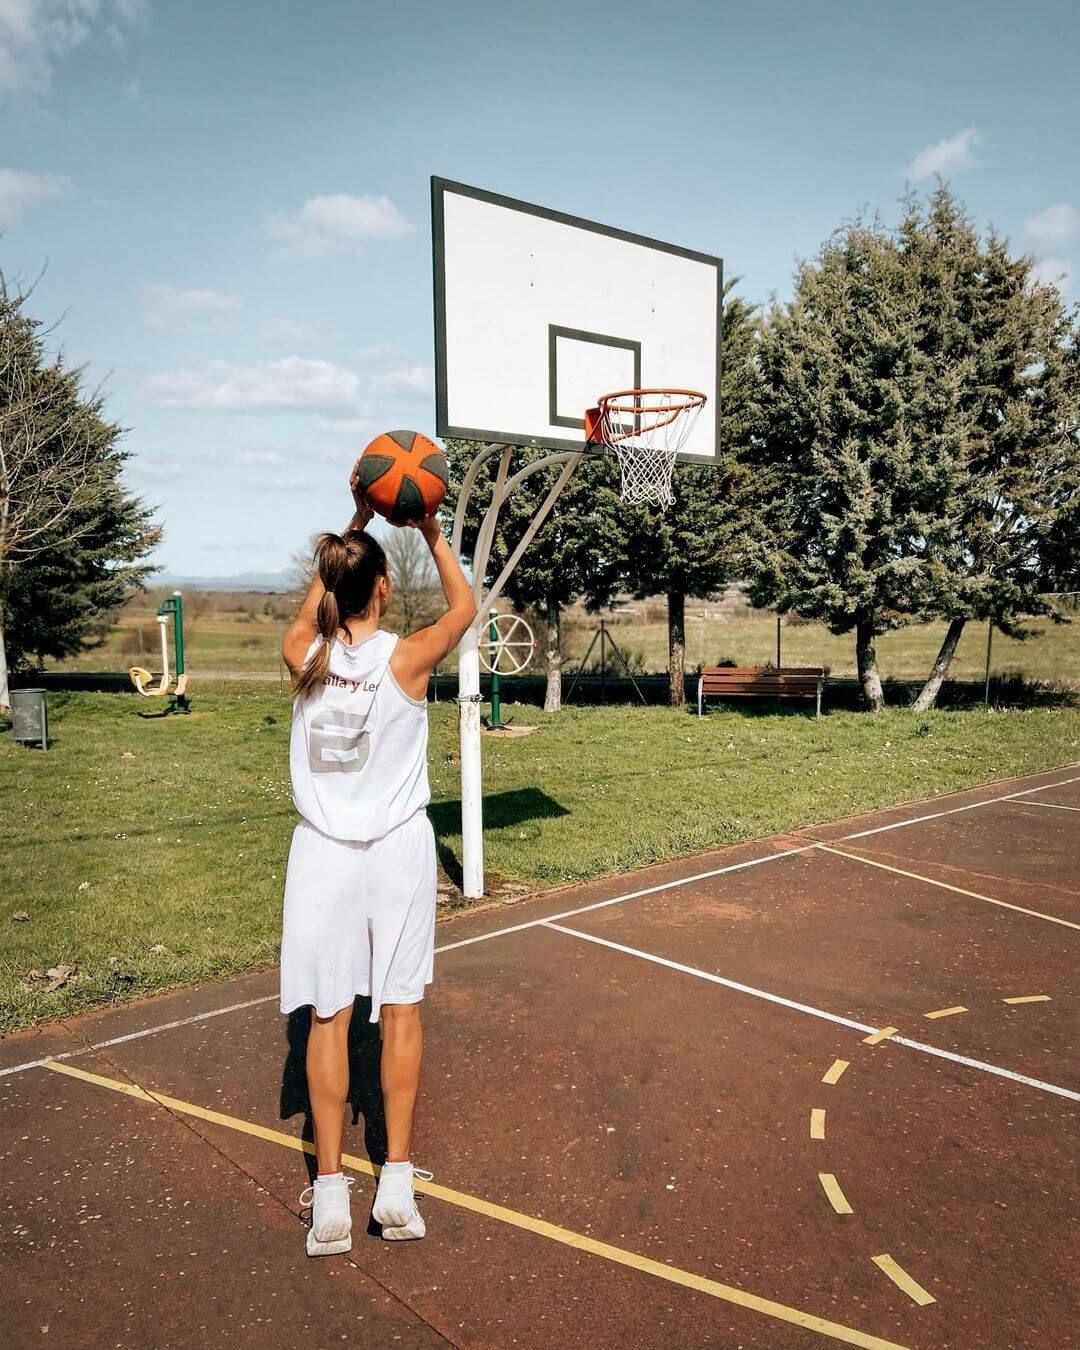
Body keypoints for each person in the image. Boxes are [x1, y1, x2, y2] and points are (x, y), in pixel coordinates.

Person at [280, 461, 475, 1256]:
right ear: (386, 589)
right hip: (396, 853)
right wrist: (426, 526)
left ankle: (331, 1200)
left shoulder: (305, 654)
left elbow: (314, 614)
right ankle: (394, 1179)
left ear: (330, 584)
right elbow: (464, 604)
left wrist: (355, 522)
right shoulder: (410, 658)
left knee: (327, 1018)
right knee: (399, 1011)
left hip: (324, 857)